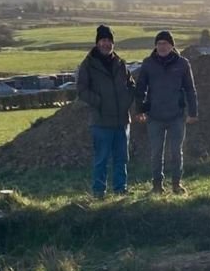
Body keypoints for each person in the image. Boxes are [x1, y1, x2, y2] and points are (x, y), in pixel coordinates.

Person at [135, 30, 198, 194]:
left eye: (165, 43)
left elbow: (190, 89)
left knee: (176, 152)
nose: (162, 47)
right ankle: (157, 185)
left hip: (176, 116)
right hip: (154, 116)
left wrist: (193, 112)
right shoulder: (148, 63)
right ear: (155, 46)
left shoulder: (183, 63)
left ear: (172, 45)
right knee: (156, 153)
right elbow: (140, 88)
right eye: (159, 44)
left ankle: (177, 184)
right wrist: (140, 110)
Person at [77, 24, 136, 198]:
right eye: (103, 40)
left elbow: (131, 85)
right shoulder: (87, 65)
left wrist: (126, 100)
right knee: (101, 159)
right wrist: (100, 102)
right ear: (97, 43)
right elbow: (82, 91)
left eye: (109, 41)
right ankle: (99, 192)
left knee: (121, 159)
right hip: (101, 121)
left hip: (122, 121)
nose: (106, 44)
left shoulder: (120, 63)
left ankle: (120, 190)